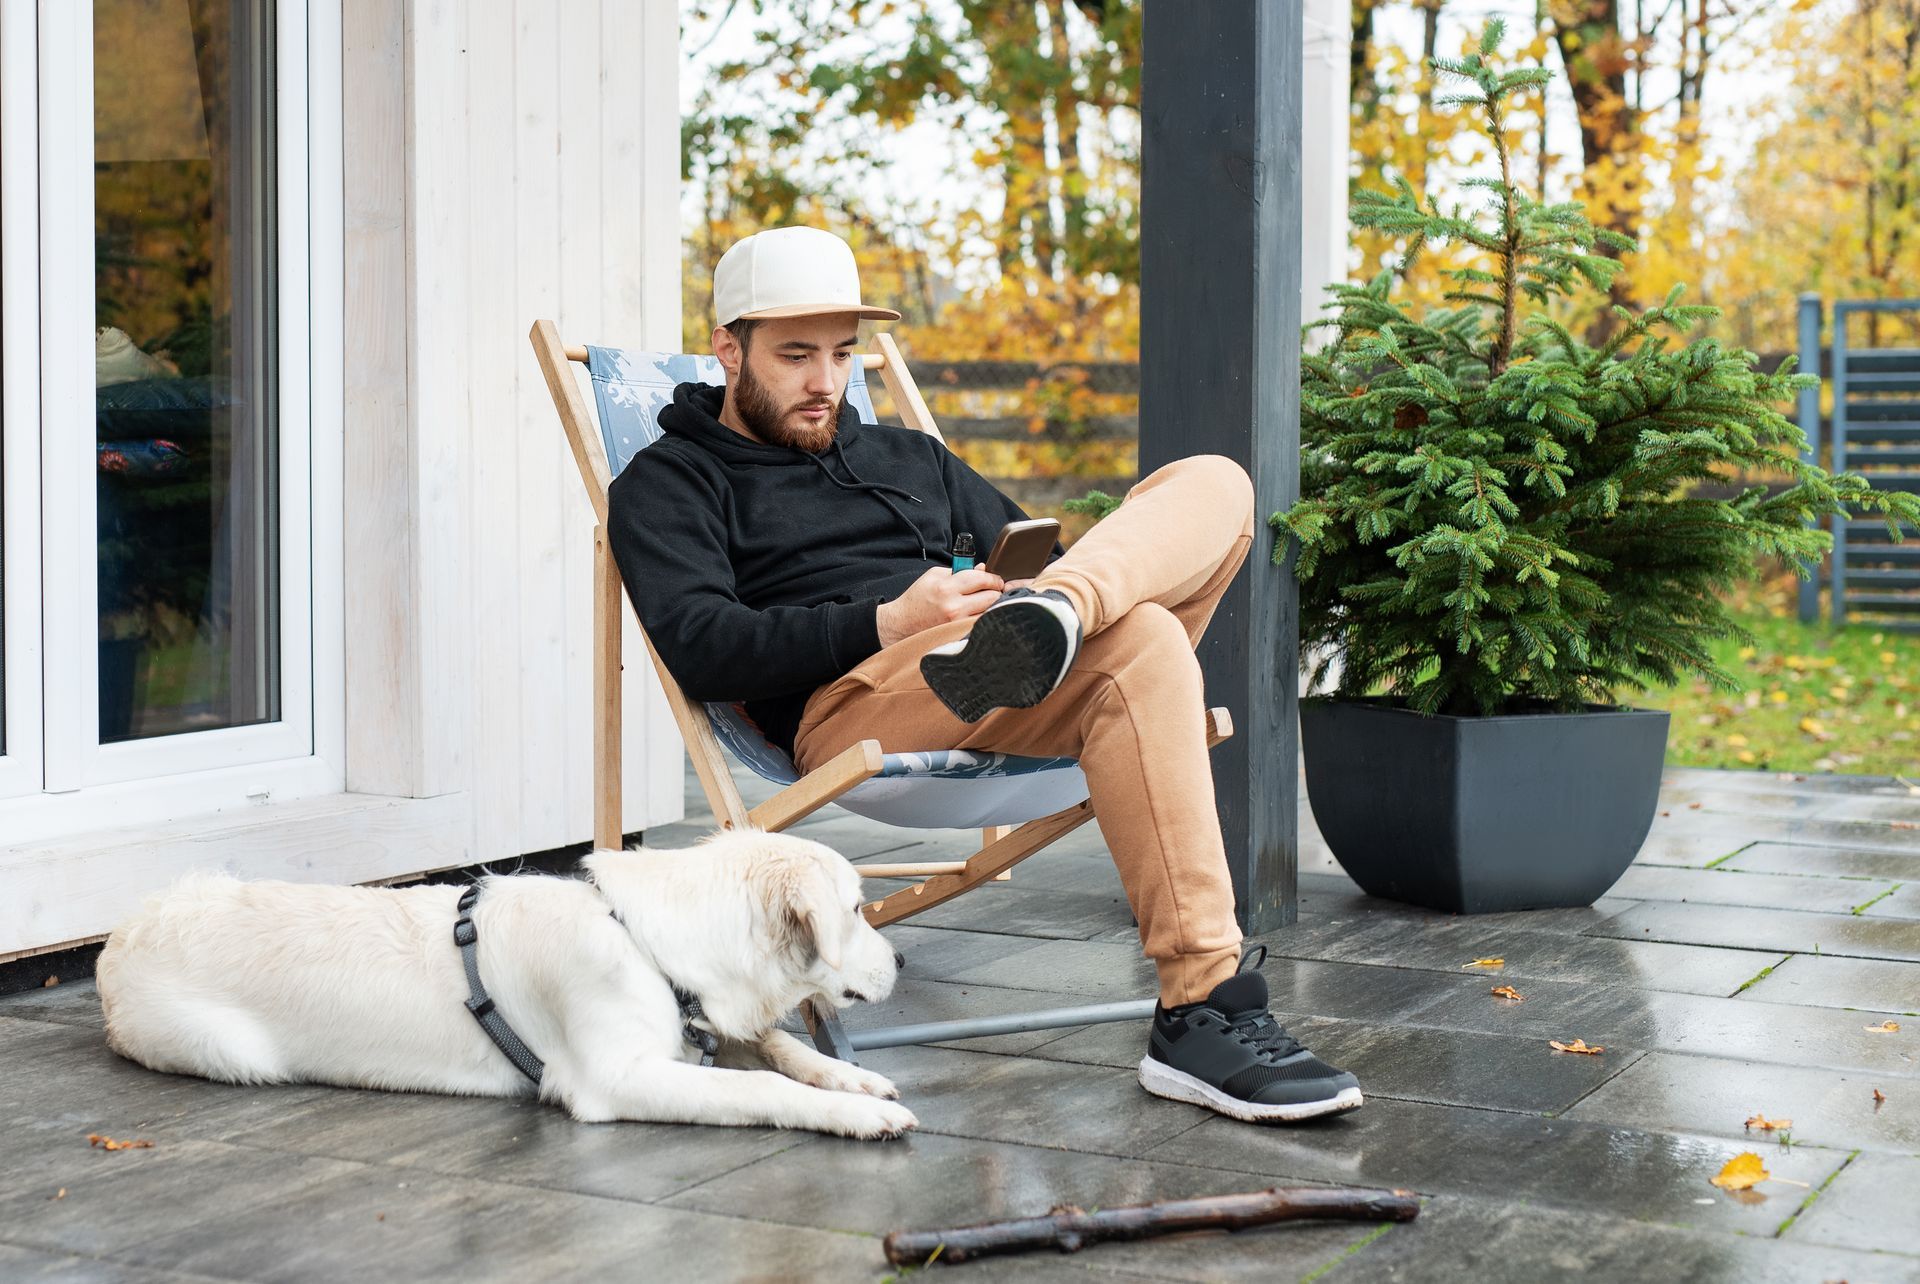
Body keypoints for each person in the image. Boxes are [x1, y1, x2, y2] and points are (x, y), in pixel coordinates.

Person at [606, 225, 1362, 1123]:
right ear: (728, 348)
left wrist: (1035, 591)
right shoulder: (671, 481)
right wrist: (891, 620)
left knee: (1216, 483)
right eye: (796, 355)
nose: (825, 382)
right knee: (1150, 641)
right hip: (856, 702)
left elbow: (1027, 541)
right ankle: (1201, 1004)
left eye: (844, 355)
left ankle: (1061, 616)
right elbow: (701, 643)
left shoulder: (907, 458)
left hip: (995, 666)